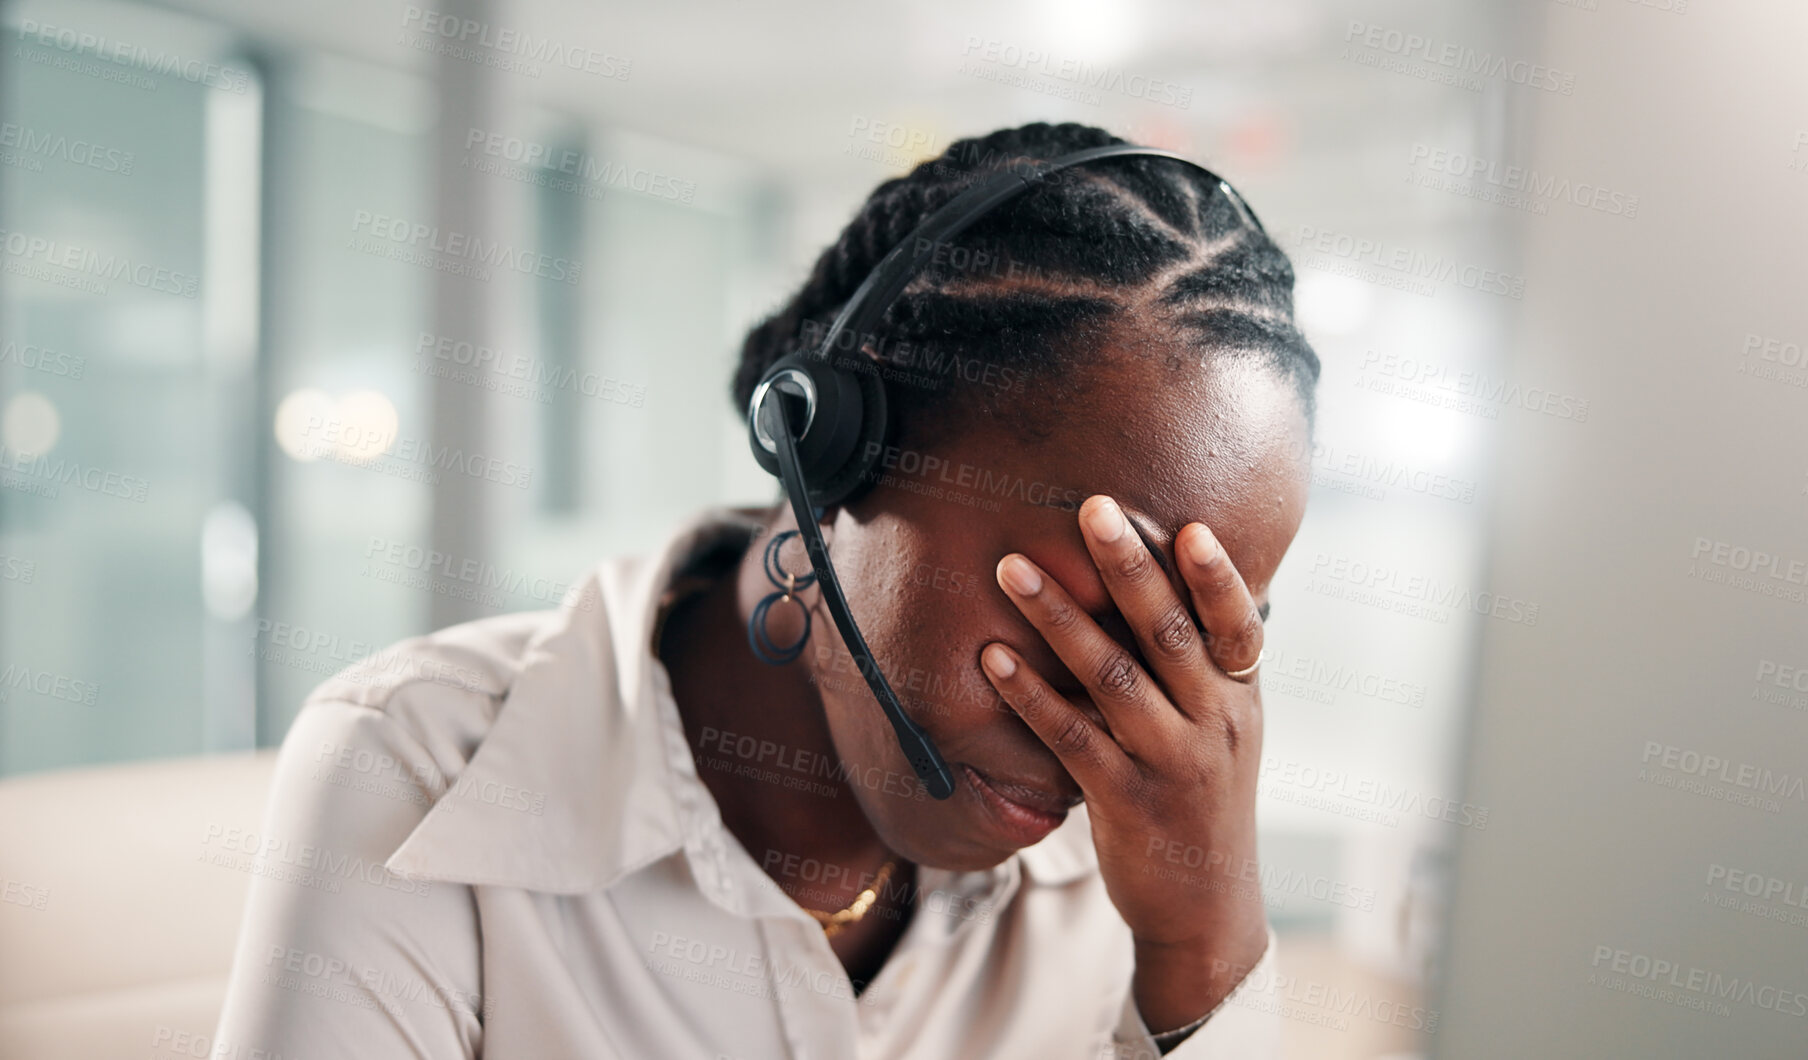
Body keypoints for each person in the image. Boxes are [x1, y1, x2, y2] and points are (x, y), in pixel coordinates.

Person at [214, 120, 1319, 1059]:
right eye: (1081, 607)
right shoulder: (415, 770)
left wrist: (1199, 952)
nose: (1120, 714)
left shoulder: (1132, 863)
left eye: (1203, 639)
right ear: (829, 460)